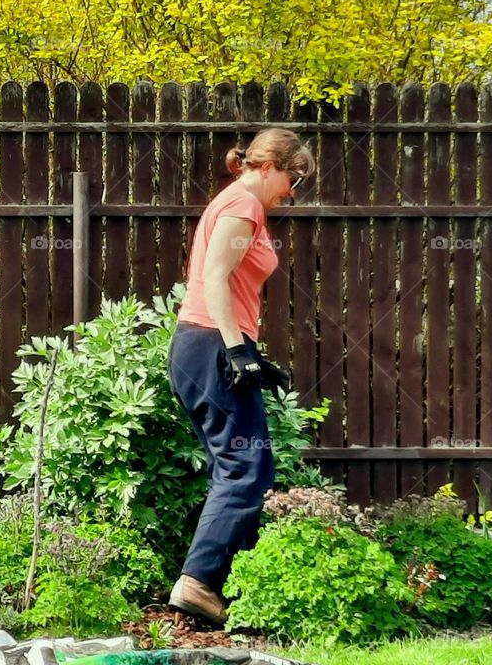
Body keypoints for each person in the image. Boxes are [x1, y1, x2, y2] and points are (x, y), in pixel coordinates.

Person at [166, 127, 315, 624]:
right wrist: (236, 350)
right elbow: (213, 275)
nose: (292, 190)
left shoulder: (237, 203)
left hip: (204, 343)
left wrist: (245, 349)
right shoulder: (242, 206)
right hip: (211, 341)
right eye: (294, 176)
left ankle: (232, 585)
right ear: (270, 164)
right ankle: (198, 583)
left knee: (236, 467)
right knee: (246, 468)